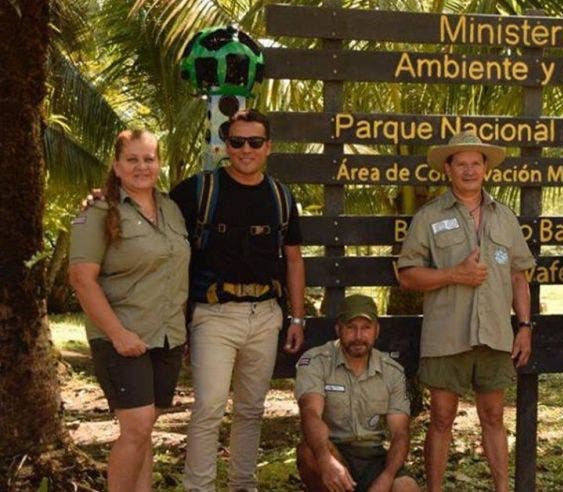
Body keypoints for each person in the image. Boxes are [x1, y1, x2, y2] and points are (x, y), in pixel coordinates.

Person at [172, 109, 306, 491]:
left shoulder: (281, 195)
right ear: (225, 145)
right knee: (209, 409)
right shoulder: (198, 190)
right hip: (214, 315)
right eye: (237, 142)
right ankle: (199, 487)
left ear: (269, 147)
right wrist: (103, 200)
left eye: (255, 142)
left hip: (265, 315)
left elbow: (294, 258)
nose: (246, 149)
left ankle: (243, 484)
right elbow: (153, 222)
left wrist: (297, 319)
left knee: (250, 410)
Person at [397, 131, 535, 492]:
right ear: (448, 168)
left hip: (494, 334)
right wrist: (453, 274)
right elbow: (407, 275)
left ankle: (502, 488)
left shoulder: (505, 217)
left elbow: (519, 275)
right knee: (442, 418)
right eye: (462, 164)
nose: (470, 170)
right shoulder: (429, 217)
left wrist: (524, 325)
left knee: (493, 416)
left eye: (476, 163)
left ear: (486, 168)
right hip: (447, 334)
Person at [69, 129, 190, 491]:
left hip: (166, 333)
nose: (142, 166)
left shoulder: (171, 209)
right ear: (117, 166)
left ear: (159, 163)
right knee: (136, 426)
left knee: (144, 429)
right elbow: (81, 279)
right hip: (121, 335)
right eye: (132, 159)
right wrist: (118, 334)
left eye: (149, 159)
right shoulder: (99, 212)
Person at [294, 294, 419, 492]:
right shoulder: (315, 361)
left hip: (375, 457)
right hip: (335, 449)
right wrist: (325, 458)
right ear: (338, 329)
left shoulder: (394, 372)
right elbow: (310, 413)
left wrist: (386, 478)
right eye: (351, 327)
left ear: (377, 331)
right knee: (309, 453)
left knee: (407, 488)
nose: (359, 336)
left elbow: (400, 433)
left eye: (366, 328)